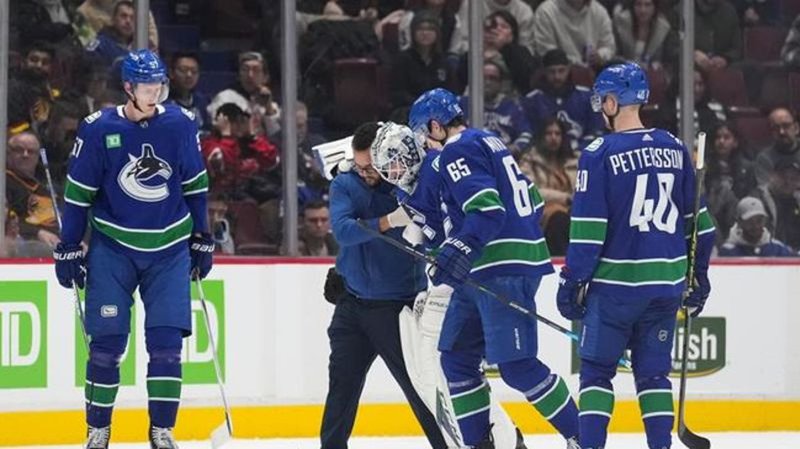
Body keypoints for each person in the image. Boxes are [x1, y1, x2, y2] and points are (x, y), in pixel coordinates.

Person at [52, 49, 213, 449]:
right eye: (146, 85)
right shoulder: (97, 129)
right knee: (106, 347)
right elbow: (78, 195)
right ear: (128, 87)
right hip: (113, 249)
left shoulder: (179, 124)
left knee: (167, 347)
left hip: (170, 249)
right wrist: (69, 245)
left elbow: (195, 186)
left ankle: (162, 430)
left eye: (159, 83)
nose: (154, 91)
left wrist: (203, 236)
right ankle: (98, 429)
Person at [403, 88, 580, 448]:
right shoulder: (489, 142)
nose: (425, 143)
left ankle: (583, 438)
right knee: (457, 360)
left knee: (518, 367)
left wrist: (460, 248)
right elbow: (532, 200)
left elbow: (487, 209)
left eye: (424, 133)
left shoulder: (456, 150)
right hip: (484, 269)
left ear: (436, 126)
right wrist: (461, 250)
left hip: (500, 268)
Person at [556, 63, 716, 449]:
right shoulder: (675, 147)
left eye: (603, 101)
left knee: (596, 373)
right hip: (666, 286)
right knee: (654, 375)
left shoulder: (599, 153)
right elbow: (702, 227)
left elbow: (588, 231)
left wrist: (572, 281)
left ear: (613, 102)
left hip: (615, 288)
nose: (601, 109)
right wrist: (699, 276)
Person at [321, 121, 447, 449]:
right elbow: (343, 231)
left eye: (371, 167)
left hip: (397, 309)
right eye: (359, 166)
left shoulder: (410, 185)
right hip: (351, 306)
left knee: (419, 388)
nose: (364, 173)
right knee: (341, 391)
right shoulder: (345, 183)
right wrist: (389, 220)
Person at [522, 49, 605, 151]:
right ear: (544, 71)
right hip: (544, 154)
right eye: (552, 72)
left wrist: (581, 150)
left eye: (561, 71)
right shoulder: (531, 100)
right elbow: (528, 134)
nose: (557, 76)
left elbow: (598, 130)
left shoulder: (590, 96)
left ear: (569, 69)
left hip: (582, 153)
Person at [518, 118, 578, 255]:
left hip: (572, 210)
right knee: (559, 219)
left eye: (557, 134)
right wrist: (563, 198)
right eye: (549, 133)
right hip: (541, 212)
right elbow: (528, 190)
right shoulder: (529, 160)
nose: (553, 138)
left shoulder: (573, 161)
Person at [459, 57, 534, 155]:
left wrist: (514, 148)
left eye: (493, 78)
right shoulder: (463, 104)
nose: (488, 82)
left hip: (503, 156)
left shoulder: (512, 107)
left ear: (500, 83)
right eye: (483, 78)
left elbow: (526, 134)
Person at [5, 131, 61, 255]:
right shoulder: (4, 183)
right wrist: (37, 232)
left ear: (37, 156)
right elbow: (6, 222)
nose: (25, 155)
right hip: (27, 243)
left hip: (57, 240)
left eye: (31, 151)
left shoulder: (46, 186)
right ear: (8, 153)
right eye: (19, 150)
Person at [207, 51, 281, 137]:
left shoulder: (271, 105)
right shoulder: (225, 98)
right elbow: (219, 130)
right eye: (245, 70)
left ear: (265, 77)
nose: (250, 75)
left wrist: (268, 108)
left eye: (256, 70)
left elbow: (276, 136)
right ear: (239, 76)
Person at [533, 0, 616, 68]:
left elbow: (609, 46)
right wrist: (578, 65)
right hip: (561, 75)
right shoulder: (546, 12)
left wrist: (600, 55)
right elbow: (547, 53)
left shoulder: (599, 11)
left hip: (595, 69)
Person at [718, 197, 797, 257]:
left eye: (759, 220)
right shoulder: (727, 252)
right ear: (740, 222)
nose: (755, 226)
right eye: (750, 222)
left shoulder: (778, 249)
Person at [612, 0, 671, 67]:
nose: (643, 10)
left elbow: (667, 60)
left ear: (655, 7)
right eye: (638, 4)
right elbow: (613, 55)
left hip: (651, 72)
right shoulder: (620, 24)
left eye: (647, 5)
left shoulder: (663, 28)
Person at [755, 107, 800, 189]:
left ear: (796, 128)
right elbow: (765, 191)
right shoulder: (764, 159)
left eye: (786, 126)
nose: (781, 132)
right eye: (775, 128)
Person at [166, 52, 211, 132]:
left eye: (194, 71)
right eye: (183, 70)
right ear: (171, 73)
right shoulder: (162, 102)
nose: (189, 75)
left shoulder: (202, 101)